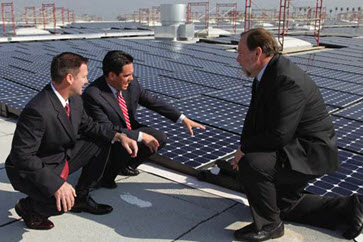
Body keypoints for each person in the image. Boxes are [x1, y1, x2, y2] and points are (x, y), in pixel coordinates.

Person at [231, 28, 363, 241]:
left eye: (240, 53)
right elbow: (253, 120)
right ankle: (351, 207)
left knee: (253, 164)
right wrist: (241, 148)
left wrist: (245, 150)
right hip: (294, 146)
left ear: (257, 53)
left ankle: (270, 225)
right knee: (282, 205)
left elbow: (279, 134)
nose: (237, 59)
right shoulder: (266, 74)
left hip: (309, 151)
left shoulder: (285, 79)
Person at [5, 52, 138, 230]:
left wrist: (119, 136)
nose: (87, 81)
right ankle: (28, 208)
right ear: (69, 78)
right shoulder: (38, 110)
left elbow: (89, 126)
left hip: (59, 158)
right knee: (60, 203)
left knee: (102, 140)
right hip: (31, 169)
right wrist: (57, 184)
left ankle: (81, 197)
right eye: (84, 76)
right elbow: (22, 156)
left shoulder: (74, 100)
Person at [82, 50, 205, 189]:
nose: (132, 79)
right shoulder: (93, 95)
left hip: (127, 131)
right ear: (111, 75)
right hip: (109, 139)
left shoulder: (132, 85)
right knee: (128, 143)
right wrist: (139, 136)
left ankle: (127, 165)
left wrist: (182, 118)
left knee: (159, 138)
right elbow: (106, 129)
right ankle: (106, 177)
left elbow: (153, 102)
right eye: (126, 75)